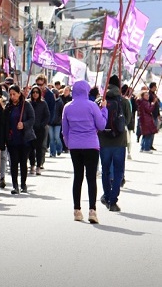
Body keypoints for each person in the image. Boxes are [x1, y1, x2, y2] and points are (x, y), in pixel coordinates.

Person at [62, 80, 108, 223]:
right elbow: (101, 125)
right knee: (91, 178)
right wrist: (104, 110)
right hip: (91, 144)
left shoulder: (67, 107)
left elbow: (65, 130)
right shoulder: (92, 105)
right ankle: (92, 211)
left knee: (78, 177)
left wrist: (69, 144)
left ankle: (77, 210)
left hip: (75, 145)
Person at [98, 75, 131, 213]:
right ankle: (113, 201)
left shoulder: (100, 100)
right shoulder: (123, 101)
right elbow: (127, 121)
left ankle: (106, 195)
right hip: (119, 141)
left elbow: (97, 120)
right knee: (118, 172)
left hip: (104, 141)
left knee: (105, 171)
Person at [3, 84, 36, 194]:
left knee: (23, 162)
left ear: (19, 94)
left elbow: (32, 119)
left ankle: (23, 184)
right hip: (12, 139)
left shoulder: (25, 105)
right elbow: (5, 122)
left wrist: (24, 124)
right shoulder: (8, 107)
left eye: (14, 94)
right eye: (10, 94)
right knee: (13, 163)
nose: (12, 96)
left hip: (24, 138)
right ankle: (15, 185)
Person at [28, 86, 50, 175]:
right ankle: (32, 165)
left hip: (40, 129)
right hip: (30, 129)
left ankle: (38, 166)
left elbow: (47, 116)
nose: (35, 94)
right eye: (33, 92)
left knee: (39, 148)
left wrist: (42, 125)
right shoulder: (28, 103)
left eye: (37, 92)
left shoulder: (43, 103)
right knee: (30, 148)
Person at [137, 89, 158, 153]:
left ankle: (143, 147)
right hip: (147, 120)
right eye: (146, 95)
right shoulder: (145, 102)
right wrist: (153, 104)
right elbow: (149, 110)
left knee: (145, 134)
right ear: (143, 96)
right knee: (148, 134)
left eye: (148, 95)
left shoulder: (141, 102)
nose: (148, 96)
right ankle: (146, 148)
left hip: (144, 119)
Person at [49, 88, 65, 157]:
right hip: (50, 122)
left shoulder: (60, 102)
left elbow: (62, 112)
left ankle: (59, 149)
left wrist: (61, 120)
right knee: (51, 138)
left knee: (56, 137)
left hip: (57, 123)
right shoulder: (49, 101)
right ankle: (53, 152)